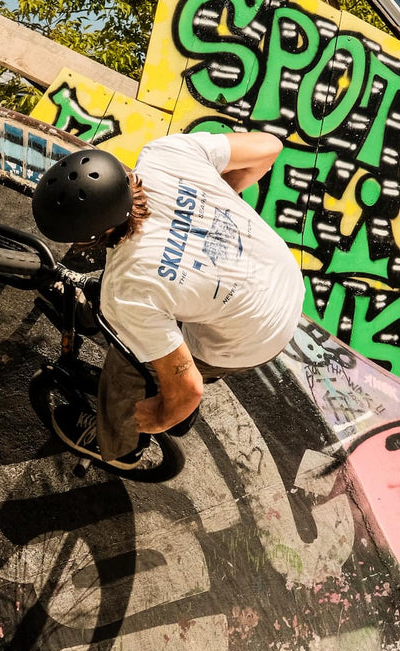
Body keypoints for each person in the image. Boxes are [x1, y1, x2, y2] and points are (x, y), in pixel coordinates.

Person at [30, 131, 305, 469]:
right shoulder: (166, 154)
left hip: (257, 335)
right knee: (148, 301)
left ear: (90, 239)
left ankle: (120, 446)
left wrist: (162, 417)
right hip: (282, 274)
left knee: (125, 366)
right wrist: (214, 204)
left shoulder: (128, 289)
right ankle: (122, 321)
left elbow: (188, 389)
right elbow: (269, 147)